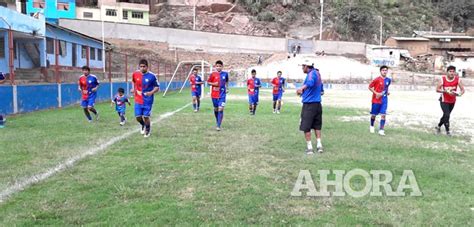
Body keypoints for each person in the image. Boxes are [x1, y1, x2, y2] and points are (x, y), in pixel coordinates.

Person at [296, 60, 323, 154]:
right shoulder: (317, 73)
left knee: (306, 126)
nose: (302, 68)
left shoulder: (311, 74)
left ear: (307, 66)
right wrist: (304, 93)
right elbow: (318, 89)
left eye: (303, 66)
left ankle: (310, 147)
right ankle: (319, 145)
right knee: (317, 126)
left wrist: (301, 88)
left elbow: (310, 83)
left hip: (309, 105)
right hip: (317, 104)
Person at [131, 59, 160, 138]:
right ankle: (143, 124)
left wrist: (150, 93)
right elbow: (133, 82)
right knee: (138, 117)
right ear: (139, 67)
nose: (142, 68)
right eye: (141, 66)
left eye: (144, 66)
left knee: (146, 116)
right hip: (138, 99)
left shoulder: (152, 76)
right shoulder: (135, 74)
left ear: (147, 67)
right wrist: (133, 89)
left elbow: (157, 87)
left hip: (148, 100)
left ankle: (147, 130)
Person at [435, 65, 465, 136]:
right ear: (447, 72)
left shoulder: (457, 79)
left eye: (453, 71)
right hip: (444, 100)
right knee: (447, 115)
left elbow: (463, 90)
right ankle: (447, 131)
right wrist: (445, 91)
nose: (452, 73)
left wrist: (459, 94)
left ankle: (438, 126)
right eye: (450, 71)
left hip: (452, 101)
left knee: (446, 115)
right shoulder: (443, 79)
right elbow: (437, 89)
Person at [368, 65, 391, 136]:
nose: (384, 71)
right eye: (383, 70)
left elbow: (386, 87)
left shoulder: (388, 80)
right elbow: (370, 87)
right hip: (376, 100)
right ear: (380, 71)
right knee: (373, 115)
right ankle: (371, 126)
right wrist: (376, 93)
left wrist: (387, 92)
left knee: (383, 115)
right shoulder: (377, 79)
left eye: (386, 70)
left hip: (384, 99)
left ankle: (381, 130)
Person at [207, 60, 229, 131]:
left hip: (222, 94)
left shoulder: (225, 74)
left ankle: (218, 125)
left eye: (220, 66)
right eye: (217, 66)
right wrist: (214, 84)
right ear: (215, 66)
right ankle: (218, 121)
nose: (218, 67)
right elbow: (208, 83)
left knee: (221, 108)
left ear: (222, 67)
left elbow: (227, 81)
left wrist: (227, 88)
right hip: (214, 95)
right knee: (216, 109)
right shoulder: (213, 74)